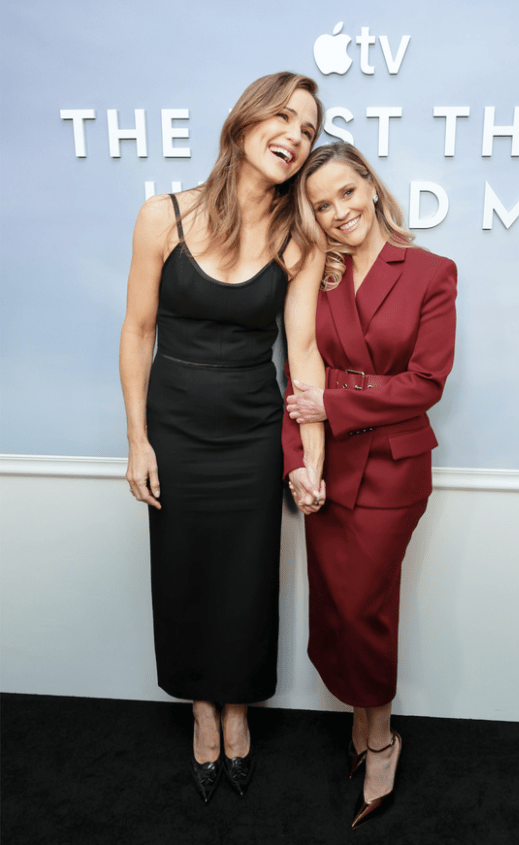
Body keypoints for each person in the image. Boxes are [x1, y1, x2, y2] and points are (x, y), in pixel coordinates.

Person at [119, 71, 327, 804]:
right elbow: (139, 331)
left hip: (250, 436)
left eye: (308, 130)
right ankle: (201, 713)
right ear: (243, 124)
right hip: (173, 430)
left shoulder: (298, 238)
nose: (296, 136)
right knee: (181, 576)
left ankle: (238, 712)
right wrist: (138, 440)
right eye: (284, 118)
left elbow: (302, 356)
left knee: (245, 583)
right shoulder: (160, 216)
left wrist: (314, 457)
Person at [284, 142, 457, 829]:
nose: (338, 213)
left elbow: (425, 383)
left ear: (371, 186)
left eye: (346, 194)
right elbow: (296, 373)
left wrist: (337, 402)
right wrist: (298, 456)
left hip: (391, 466)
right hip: (327, 467)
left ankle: (381, 737)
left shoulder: (431, 270)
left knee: (365, 608)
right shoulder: (312, 277)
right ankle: (360, 720)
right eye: (321, 205)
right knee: (332, 605)